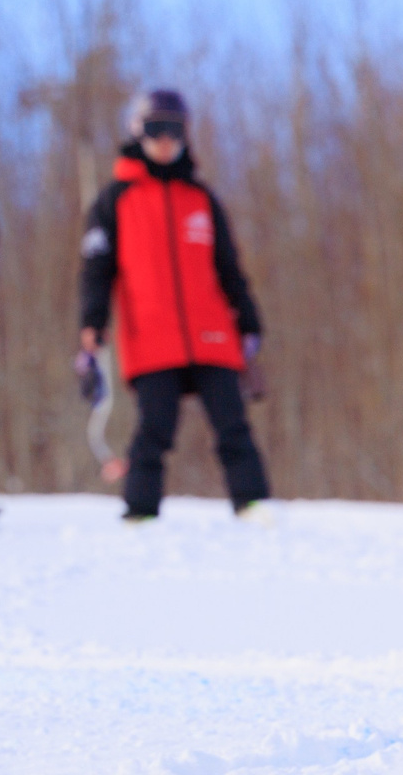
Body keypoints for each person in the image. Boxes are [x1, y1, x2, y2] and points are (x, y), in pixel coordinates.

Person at [77, 89, 272, 521]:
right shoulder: (115, 201)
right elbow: (96, 270)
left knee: (232, 424)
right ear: (137, 133)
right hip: (152, 335)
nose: (165, 141)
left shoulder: (202, 199)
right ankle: (140, 511)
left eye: (174, 131)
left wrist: (248, 319)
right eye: (154, 130)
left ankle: (253, 503)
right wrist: (92, 323)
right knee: (155, 429)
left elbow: (229, 269)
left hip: (212, 332)